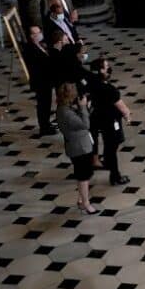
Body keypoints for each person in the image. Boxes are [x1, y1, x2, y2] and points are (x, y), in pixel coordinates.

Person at [55, 82, 98, 215]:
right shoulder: (65, 113)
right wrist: (84, 107)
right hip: (79, 149)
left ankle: (81, 199)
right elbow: (85, 124)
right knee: (83, 176)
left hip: (81, 146)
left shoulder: (65, 108)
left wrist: (83, 108)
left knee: (85, 174)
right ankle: (86, 203)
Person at [87, 58, 131, 186]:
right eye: (107, 67)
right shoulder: (109, 89)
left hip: (98, 118)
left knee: (109, 146)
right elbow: (122, 107)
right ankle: (115, 176)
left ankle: (108, 162)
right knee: (112, 147)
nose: (109, 68)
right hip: (110, 121)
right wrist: (127, 115)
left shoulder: (92, 83)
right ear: (101, 70)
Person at [22, 25, 56, 137]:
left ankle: (47, 123)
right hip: (41, 82)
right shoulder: (29, 49)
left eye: (39, 32)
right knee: (43, 105)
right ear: (31, 36)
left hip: (46, 80)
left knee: (47, 104)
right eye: (35, 33)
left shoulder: (40, 44)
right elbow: (38, 65)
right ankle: (44, 127)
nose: (38, 35)